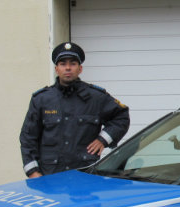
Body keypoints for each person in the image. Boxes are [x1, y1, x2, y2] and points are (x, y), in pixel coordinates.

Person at [20, 42, 130, 178]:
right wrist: (33, 173)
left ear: (80, 69)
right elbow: (28, 139)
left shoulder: (96, 97)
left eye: (72, 64)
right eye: (63, 64)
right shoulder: (42, 99)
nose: (68, 68)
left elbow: (121, 117)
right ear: (56, 69)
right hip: (50, 177)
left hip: (84, 176)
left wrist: (103, 139)